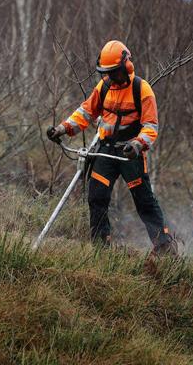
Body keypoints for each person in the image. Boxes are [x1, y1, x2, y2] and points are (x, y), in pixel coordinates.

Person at [47, 40, 176, 255]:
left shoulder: (142, 90)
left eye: (114, 72)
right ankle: (100, 248)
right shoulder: (104, 86)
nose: (110, 76)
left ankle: (164, 248)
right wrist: (63, 128)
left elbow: (151, 127)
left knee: (144, 202)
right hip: (105, 150)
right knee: (96, 198)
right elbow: (86, 113)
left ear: (126, 66)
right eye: (106, 72)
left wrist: (137, 144)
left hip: (130, 154)